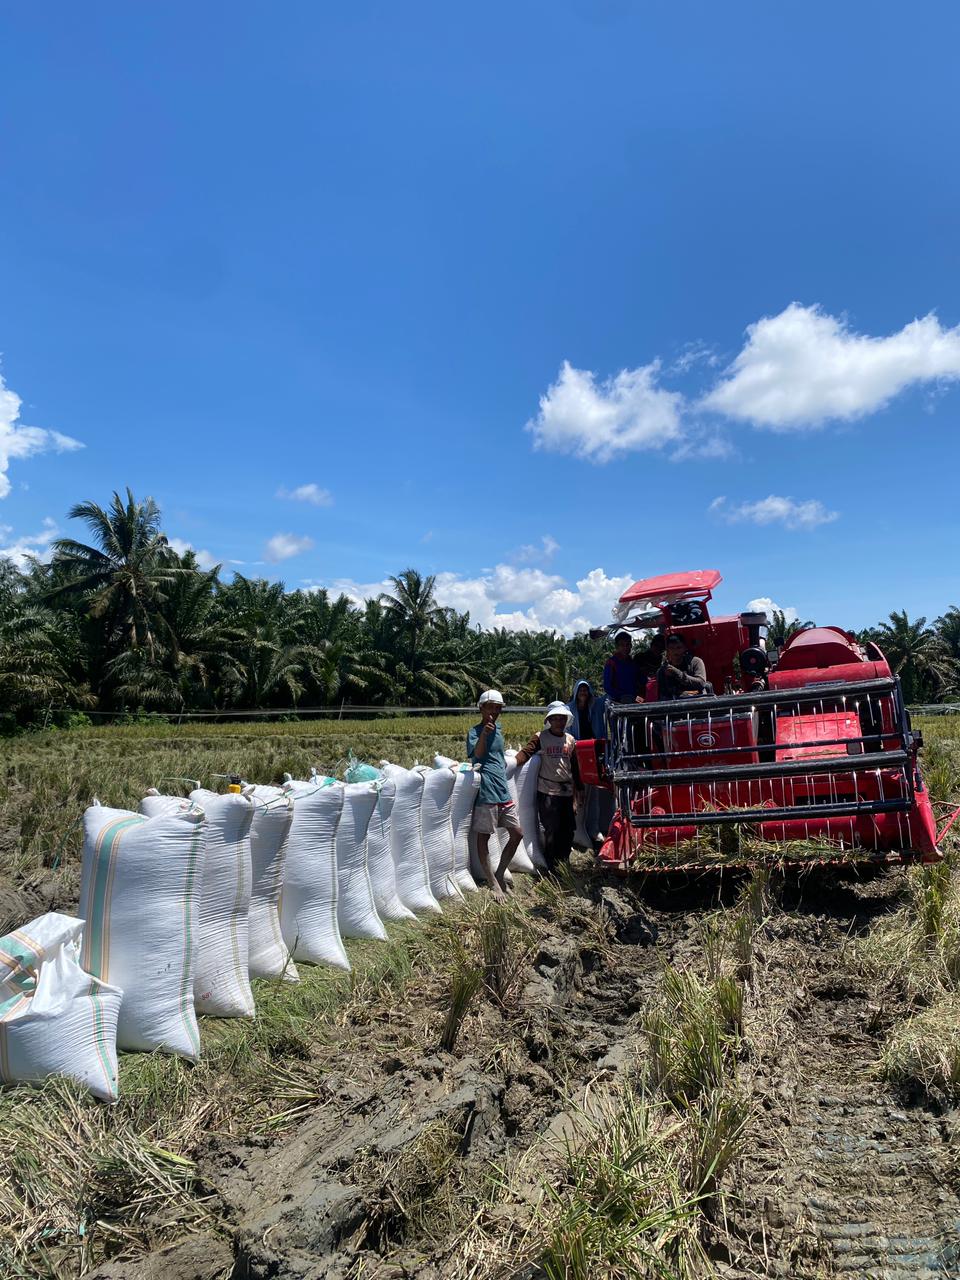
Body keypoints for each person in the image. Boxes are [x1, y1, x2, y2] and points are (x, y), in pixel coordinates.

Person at [467, 689, 523, 901]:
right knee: (484, 837)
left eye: (498, 708)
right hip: (487, 791)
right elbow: (478, 755)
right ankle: (492, 882)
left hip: (502, 790)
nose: (494, 712)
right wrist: (484, 734)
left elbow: (498, 757)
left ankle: (500, 873)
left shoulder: (499, 729)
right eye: (490, 707)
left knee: (517, 833)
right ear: (481, 708)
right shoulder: (474, 732)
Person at [516, 701, 582, 872]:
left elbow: (575, 768)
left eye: (562, 719)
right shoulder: (541, 737)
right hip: (548, 792)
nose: (559, 722)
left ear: (566, 721)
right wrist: (511, 763)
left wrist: (577, 795)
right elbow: (526, 753)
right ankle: (551, 863)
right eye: (555, 719)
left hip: (566, 792)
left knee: (568, 830)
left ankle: (564, 860)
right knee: (551, 829)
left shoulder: (570, 740)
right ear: (549, 720)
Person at [567, 679, 611, 850]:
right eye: (580, 690)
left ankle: (593, 829)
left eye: (586, 690)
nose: (583, 693)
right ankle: (577, 830)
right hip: (577, 752)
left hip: (593, 752)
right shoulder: (569, 708)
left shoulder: (596, 706)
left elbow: (610, 696)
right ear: (576, 692)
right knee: (577, 792)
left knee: (594, 792)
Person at [657, 635, 710, 700]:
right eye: (671, 648)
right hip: (675, 704)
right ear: (667, 649)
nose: (675, 651)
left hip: (697, 700)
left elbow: (701, 683)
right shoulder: (662, 671)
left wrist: (677, 673)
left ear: (684, 648)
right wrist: (680, 693)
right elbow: (663, 693)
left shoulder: (695, 662)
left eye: (678, 647)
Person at [603, 630, 641, 703]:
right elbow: (607, 687)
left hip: (634, 702)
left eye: (628, 644)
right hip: (617, 703)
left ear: (631, 646)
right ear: (617, 646)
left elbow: (639, 683)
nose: (625, 647)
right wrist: (621, 696)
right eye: (622, 645)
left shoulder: (633, 663)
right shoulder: (611, 663)